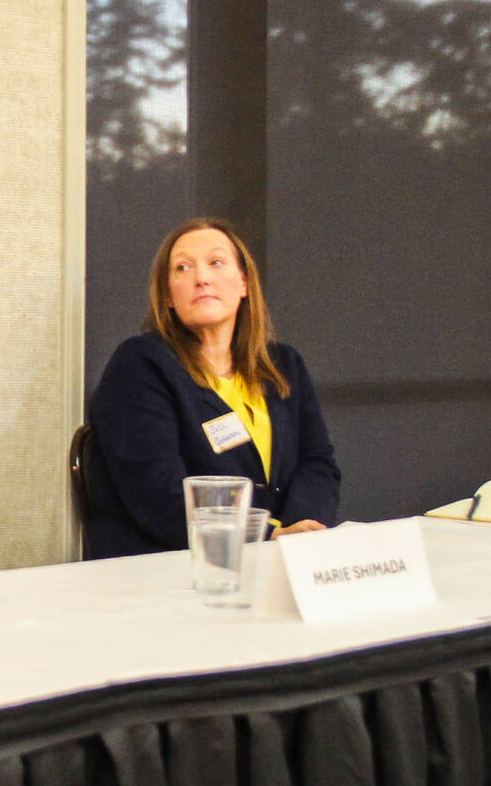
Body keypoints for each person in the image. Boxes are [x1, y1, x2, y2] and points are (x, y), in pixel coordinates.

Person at [84, 217, 339, 558]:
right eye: (183, 268)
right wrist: (270, 536)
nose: (201, 278)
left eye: (216, 262)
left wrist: (302, 530)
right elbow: (158, 494)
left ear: (244, 283)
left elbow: (317, 463)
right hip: (168, 569)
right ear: (168, 296)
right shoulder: (140, 366)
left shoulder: (283, 365)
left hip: (277, 561)